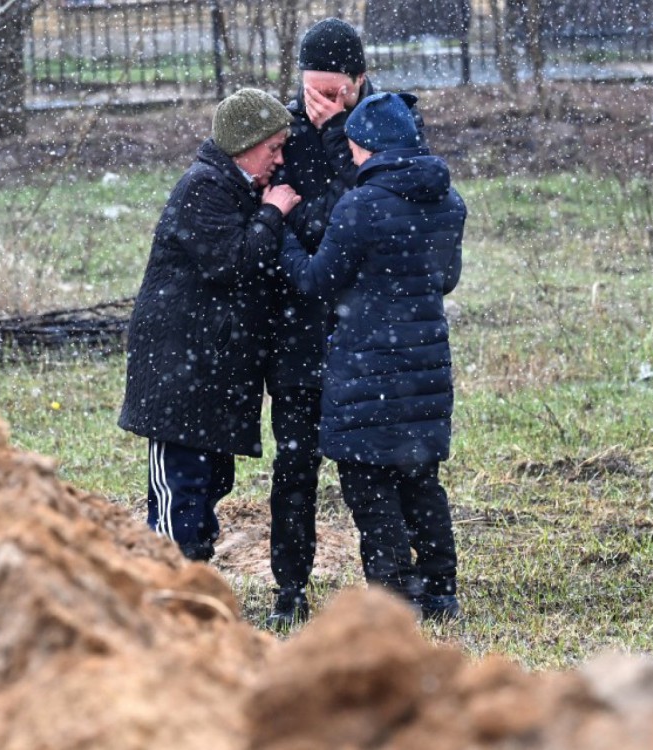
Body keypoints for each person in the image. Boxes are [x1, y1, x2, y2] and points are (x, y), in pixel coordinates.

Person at [263, 16, 427, 629]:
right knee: (295, 466)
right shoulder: (284, 133)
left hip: (372, 336)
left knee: (385, 467)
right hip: (301, 331)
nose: (325, 103)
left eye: (338, 91)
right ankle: (289, 588)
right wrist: (318, 223)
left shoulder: (392, 128)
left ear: (362, 78)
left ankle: (398, 587)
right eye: (315, 91)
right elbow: (282, 212)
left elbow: (367, 217)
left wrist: (317, 214)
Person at [279, 91, 466, 622]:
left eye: (355, 150)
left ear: (369, 147)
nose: (353, 160)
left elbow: (317, 281)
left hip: (368, 368)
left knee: (369, 481)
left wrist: (285, 234)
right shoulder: (448, 202)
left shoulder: (360, 206)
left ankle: (392, 592)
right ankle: (441, 591)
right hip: (425, 367)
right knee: (421, 480)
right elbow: (444, 279)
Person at [119, 88, 301, 562]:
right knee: (181, 484)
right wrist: (272, 213)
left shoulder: (234, 186)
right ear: (244, 144)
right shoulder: (204, 187)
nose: (279, 160)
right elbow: (233, 264)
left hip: (207, 369)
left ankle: (191, 574)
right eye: (273, 148)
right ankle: (169, 581)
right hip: (179, 371)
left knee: (210, 478)